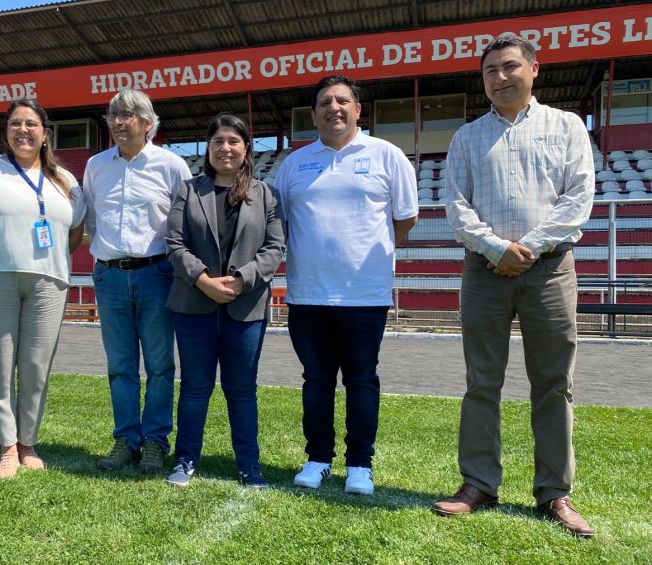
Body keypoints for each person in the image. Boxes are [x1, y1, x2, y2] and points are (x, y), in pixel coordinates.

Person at [434, 35, 596, 538]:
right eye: (490, 71)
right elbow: (456, 207)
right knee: (482, 380)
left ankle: (555, 492)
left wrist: (523, 246)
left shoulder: (567, 127)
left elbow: (578, 198)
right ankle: (478, 483)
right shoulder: (467, 137)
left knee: (553, 383)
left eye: (509, 67)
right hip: (485, 272)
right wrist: (495, 249)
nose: (500, 78)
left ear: (534, 69)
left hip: (549, 270)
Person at [273, 75, 418, 494]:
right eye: (323, 102)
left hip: (364, 294)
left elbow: (404, 219)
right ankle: (317, 458)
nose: (333, 107)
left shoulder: (387, 156)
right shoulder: (295, 164)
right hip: (308, 293)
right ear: (314, 113)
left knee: (361, 379)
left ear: (358, 109)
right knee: (315, 379)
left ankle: (359, 465)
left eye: (341, 100)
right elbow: (278, 222)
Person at [0, 99, 85, 479]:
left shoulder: (66, 181)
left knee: (36, 366)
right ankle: (7, 446)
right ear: (6, 131)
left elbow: (73, 233)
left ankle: (28, 443)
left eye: (31, 124)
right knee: (0, 364)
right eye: (15, 124)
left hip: (49, 280)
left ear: (45, 133)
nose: (23, 130)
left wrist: (47, 259)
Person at [164, 114, 284, 489]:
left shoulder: (266, 193)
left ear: (246, 148)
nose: (225, 147)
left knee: (242, 389)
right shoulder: (188, 190)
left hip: (244, 307)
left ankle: (249, 464)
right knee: (195, 387)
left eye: (233, 140)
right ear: (208, 148)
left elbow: (274, 247)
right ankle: (185, 460)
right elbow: (174, 243)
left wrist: (241, 279)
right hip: (193, 305)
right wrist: (202, 280)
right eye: (218, 141)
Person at [83, 89, 192, 474]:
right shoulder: (96, 166)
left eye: (127, 114)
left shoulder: (172, 166)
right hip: (110, 275)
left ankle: (155, 441)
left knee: (161, 365)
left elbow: (185, 223)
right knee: (120, 365)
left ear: (148, 123)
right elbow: (92, 219)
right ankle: (126, 440)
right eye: (113, 115)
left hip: (157, 274)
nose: (118, 122)